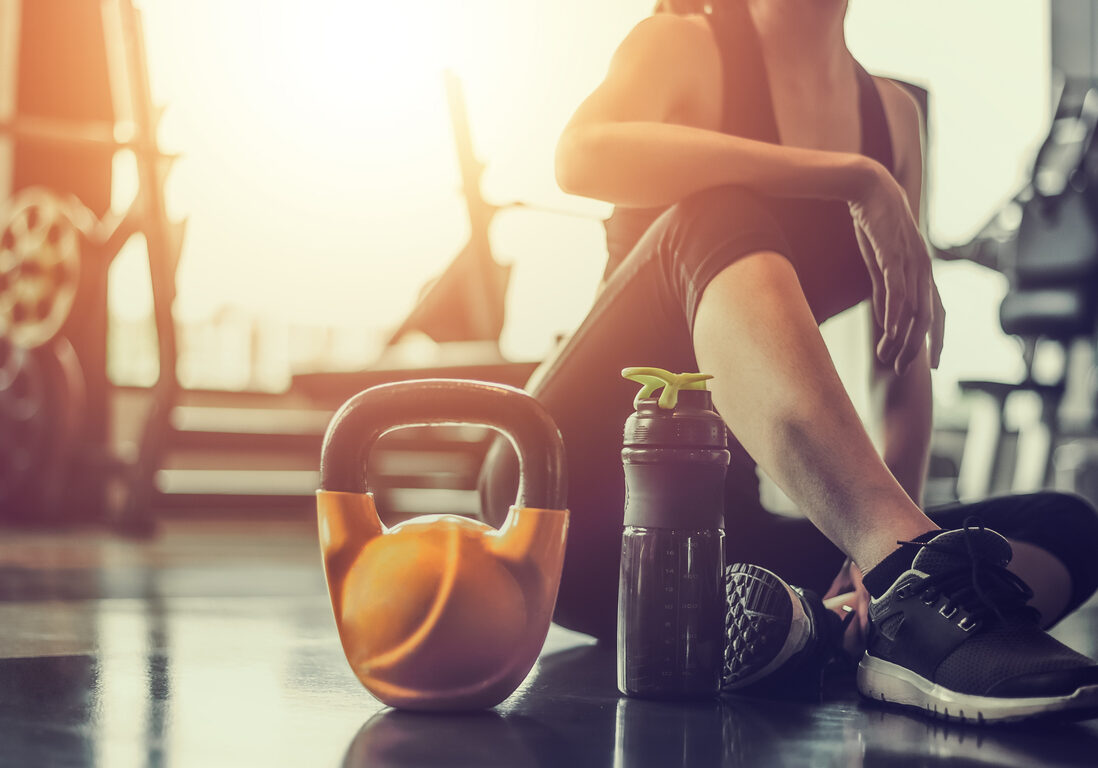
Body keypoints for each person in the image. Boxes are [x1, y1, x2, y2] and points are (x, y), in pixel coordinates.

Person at [480, 0, 1098, 721]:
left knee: (1067, 526)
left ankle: (832, 623)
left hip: (722, 537)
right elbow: (579, 156)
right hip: (575, 497)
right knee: (715, 207)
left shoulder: (891, 115)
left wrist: (874, 558)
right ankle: (891, 591)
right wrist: (852, 177)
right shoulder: (684, 43)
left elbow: (899, 356)